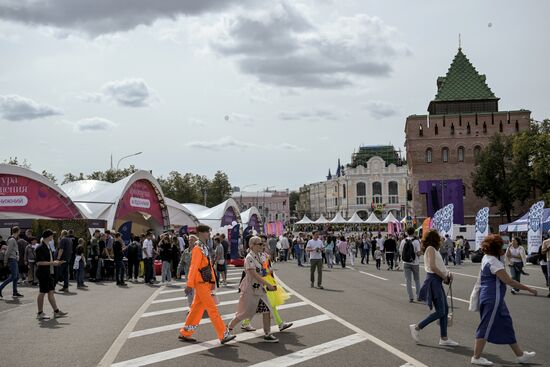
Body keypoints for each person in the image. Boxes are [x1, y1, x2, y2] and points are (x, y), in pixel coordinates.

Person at [470, 235, 537, 366]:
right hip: (492, 298)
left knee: (506, 323)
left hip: (495, 298)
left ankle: (520, 355)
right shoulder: (494, 262)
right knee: (486, 325)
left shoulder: (487, 257)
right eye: (502, 246)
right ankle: (476, 357)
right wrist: (529, 289)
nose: (504, 248)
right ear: (497, 248)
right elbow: (509, 281)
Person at [179, 225, 235, 344]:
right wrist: (189, 284)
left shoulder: (202, 247)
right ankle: (223, 334)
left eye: (208, 231)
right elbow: (193, 267)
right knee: (212, 309)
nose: (209, 234)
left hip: (203, 282)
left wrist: (213, 281)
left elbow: (208, 266)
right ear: (200, 233)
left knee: (196, 309)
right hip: (200, 283)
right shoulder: (198, 248)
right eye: (206, 232)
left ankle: (185, 332)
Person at [410, 229, 458, 347]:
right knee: (441, 311)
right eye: (438, 236)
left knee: (444, 310)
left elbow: (439, 266)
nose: (441, 238)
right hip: (433, 280)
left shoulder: (432, 249)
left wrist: (447, 273)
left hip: (436, 280)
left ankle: (444, 338)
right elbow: (432, 266)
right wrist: (445, 276)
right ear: (434, 238)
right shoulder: (431, 248)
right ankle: (417, 327)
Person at [228, 236, 279, 342]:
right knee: (244, 313)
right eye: (260, 244)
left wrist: (268, 271)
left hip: (259, 289)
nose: (262, 245)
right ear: (252, 245)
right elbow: (254, 274)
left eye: (262, 244)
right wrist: (268, 284)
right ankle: (228, 329)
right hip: (250, 289)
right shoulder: (249, 257)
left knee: (267, 309)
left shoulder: (259, 256)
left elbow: (262, 271)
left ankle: (267, 333)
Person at [35, 230, 68, 320]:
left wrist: (56, 262)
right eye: (52, 235)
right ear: (48, 236)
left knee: (50, 292)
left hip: (48, 272)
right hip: (43, 273)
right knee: (42, 292)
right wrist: (52, 263)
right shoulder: (40, 247)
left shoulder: (47, 246)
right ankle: (40, 313)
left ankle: (56, 311)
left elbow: (49, 261)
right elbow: (39, 263)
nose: (53, 236)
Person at [0, 226, 24, 298]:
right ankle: (0, 288)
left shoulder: (13, 239)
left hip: (14, 260)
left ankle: (15, 292)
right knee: (13, 276)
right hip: (12, 259)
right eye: (19, 230)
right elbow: (8, 251)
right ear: (18, 231)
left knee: (16, 277)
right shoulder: (12, 240)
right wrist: (5, 260)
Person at [400, 227, 422, 302]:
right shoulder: (416, 241)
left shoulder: (403, 241)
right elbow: (419, 253)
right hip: (415, 263)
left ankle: (411, 297)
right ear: (414, 232)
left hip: (406, 263)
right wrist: (417, 254)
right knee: (417, 280)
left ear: (407, 232)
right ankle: (419, 296)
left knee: (408, 281)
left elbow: (401, 251)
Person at [541, 230, 550, 297]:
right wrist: (547, 248)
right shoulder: (546, 241)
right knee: (549, 276)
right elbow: (542, 252)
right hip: (549, 260)